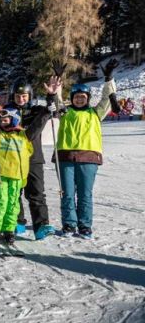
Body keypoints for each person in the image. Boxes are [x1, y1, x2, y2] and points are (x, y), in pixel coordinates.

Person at [55, 71, 116, 239]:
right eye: (76, 97)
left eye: (83, 97)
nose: (79, 99)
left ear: (87, 98)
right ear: (72, 98)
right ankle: (69, 224)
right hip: (65, 157)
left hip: (88, 158)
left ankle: (84, 226)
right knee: (67, 193)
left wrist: (109, 79)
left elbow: (107, 98)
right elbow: (57, 99)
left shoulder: (96, 113)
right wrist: (58, 82)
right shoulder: (64, 112)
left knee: (84, 194)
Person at [6, 77, 60, 239]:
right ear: (12, 96)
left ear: (30, 96)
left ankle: (41, 225)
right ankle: (17, 221)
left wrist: (52, 98)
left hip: (33, 158)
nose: (21, 99)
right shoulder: (7, 111)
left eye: (24, 96)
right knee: (14, 192)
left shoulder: (37, 110)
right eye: (17, 96)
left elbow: (55, 111)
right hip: (13, 158)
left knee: (36, 193)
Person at [0, 108, 34, 247]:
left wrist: (47, 110)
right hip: (0, 174)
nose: (3, 123)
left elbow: (37, 127)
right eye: (1, 121)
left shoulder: (24, 135)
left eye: (6, 120)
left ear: (15, 120)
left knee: (13, 202)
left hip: (16, 174)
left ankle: (9, 229)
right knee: (1, 200)